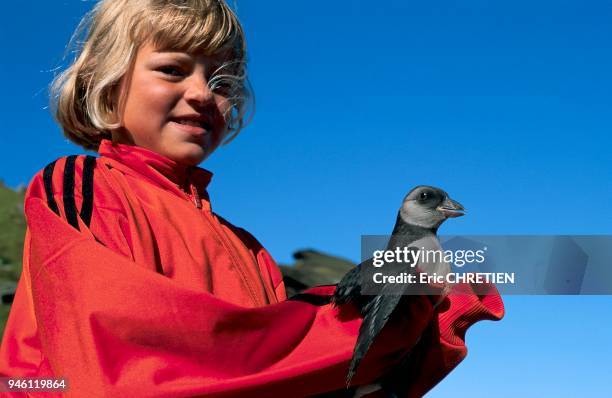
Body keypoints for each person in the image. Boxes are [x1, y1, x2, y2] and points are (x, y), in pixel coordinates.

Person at [0, 1, 504, 396]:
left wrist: (431, 320)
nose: (202, 93)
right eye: (174, 70)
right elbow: (116, 364)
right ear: (107, 89)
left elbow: (301, 380)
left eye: (222, 80)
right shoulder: (81, 188)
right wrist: (371, 325)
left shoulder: (249, 249)